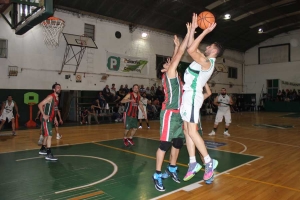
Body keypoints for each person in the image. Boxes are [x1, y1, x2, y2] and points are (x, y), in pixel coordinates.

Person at [180, 13, 223, 182]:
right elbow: (191, 45)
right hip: (187, 96)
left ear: (214, 50)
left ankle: (208, 161)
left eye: (209, 45)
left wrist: (204, 32)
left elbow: (190, 50)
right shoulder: (203, 59)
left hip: (192, 96)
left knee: (192, 130)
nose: (206, 47)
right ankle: (192, 163)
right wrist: (193, 30)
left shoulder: (208, 63)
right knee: (186, 130)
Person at [152, 23, 190, 192]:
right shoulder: (169, 73)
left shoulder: (175, 75)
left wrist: (175, 46)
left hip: (179, 115)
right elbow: (178, 57)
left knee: (177, 143)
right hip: (169, 114)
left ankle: (172, 169)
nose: (170, 62)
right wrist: (187, 36)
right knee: (164, 146)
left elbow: (175, 58)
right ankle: (157, 174)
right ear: (163, 68)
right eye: (167, 62)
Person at [38, 83, 61, 161]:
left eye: (59, 87)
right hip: (46, 119)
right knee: (50, 135)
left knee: (47, 136)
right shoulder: (51, 97)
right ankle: (49, 154)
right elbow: (40, 104)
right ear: (54, 89)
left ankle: (42, 149)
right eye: (57, 87)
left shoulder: (57, 98)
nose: (59, 88)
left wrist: (55, 119)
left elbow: (54, 110)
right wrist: (44, 114)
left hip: (51, 119)